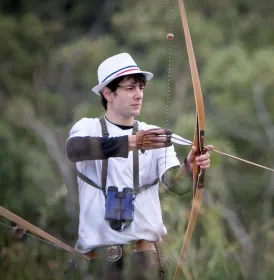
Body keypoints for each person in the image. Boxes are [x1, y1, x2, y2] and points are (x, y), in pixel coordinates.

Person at [65, 52, 211, 279]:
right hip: (96, 264)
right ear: (108, 93)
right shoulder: (88, 128)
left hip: (144, 262)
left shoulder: (154, 136)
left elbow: (177, 185)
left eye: (141, 88)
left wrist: (190, 166)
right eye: (130, 88)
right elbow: (74, 150)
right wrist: (132, 141)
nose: (138, 95)